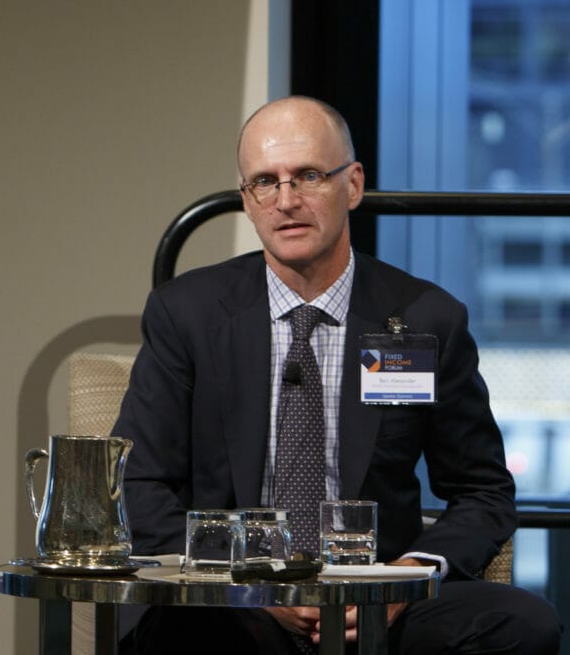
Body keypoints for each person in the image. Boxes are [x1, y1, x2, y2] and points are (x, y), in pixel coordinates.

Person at [112, 96, 562, 653]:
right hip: (234, 603)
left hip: (374, 600)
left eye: (308, 176)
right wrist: (250, 585)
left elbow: (483, 491)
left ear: (353, 184)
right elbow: (139, 482)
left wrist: (405, 578)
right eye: (265, 182)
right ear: (247, 200)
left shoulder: (425, 318)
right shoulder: (187, 313)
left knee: (523, 624)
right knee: (179, 630)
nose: (286, 201)